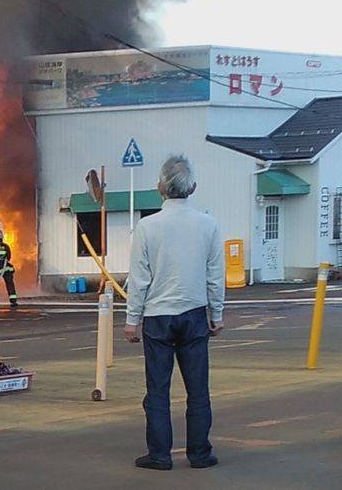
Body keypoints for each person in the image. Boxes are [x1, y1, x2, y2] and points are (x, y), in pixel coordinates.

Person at [124, 154, 225, 471]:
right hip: (194, 312)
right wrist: (216, 313)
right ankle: (199, 453)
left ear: (159, 188)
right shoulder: (208, 225)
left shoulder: (146, 227)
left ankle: (160, 454)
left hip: (157, 315)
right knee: (198, 391)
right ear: (193, 187)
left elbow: (138, 278)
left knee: (157, 390)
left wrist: (132, 320)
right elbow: (215, 274)